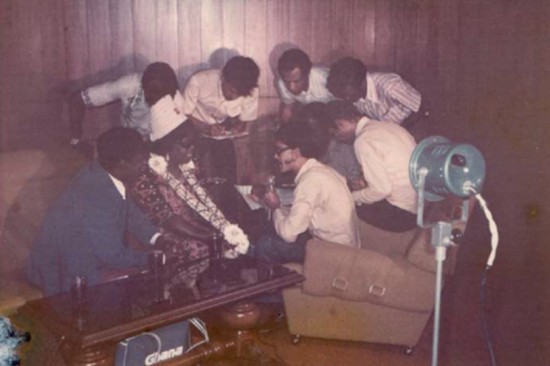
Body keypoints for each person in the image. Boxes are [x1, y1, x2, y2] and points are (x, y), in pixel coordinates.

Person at [26, 127, 168, 296]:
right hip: (63, 272)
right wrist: (156, 258)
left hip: (84, 257)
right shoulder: (95, 196)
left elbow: (130, 213)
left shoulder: (103, 172)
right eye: (140, 162)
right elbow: (113, 256)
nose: (144, 167)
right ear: (122, 163)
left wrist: (157, 238)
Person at [253, 121, 359, 264]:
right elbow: (302, 217)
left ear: (296, 152)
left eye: (279, 151)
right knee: (269, 227)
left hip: (334, 254)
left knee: (266, 244)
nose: (275, 157)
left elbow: (288, 235)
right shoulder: (322, 171)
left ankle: (271, 284)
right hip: (342, 246)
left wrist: (276, 207)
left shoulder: (310, 180)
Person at [325, 101, 418, 232]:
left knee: (336, 203)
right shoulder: (388, 126)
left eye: (337, 132)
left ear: (341, 122)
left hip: (401, 215)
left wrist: (352, 197)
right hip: (419, 204)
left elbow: (382, 190)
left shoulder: (363, 140)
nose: (339, 138)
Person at [68, 62, 180, 154]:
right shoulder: (129, 85)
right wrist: (76, 139)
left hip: (161, 144)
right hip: (129, 143)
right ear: (143, 87)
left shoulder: (174, 93)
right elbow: (77, 99)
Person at [180, 56, 260, 182]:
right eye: (231, 90)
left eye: (239, 94)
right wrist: (206, 128)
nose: (234, 96)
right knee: (197, 171)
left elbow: (244, 120)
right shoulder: (199, 81)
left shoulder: (251, 91)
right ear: (223, 77)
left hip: (222, 126)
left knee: (228, 169)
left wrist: (235, 129)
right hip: (192, 124)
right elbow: (184, 114)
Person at [327, 57, 422, 128]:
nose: (347, 98)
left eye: (348, 94)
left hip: (415, 127)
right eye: (343, 95)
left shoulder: (389, 86)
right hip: (388, 132)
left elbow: (424, 108)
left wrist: (399, 130)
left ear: (362, 82)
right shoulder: (355, 96)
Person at [276, 48, 335, 123]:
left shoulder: (326, 78)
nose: (291, 87)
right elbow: (287, 109)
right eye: (286, 82)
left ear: (307, 74)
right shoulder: (281, 83)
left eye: (296, 81)